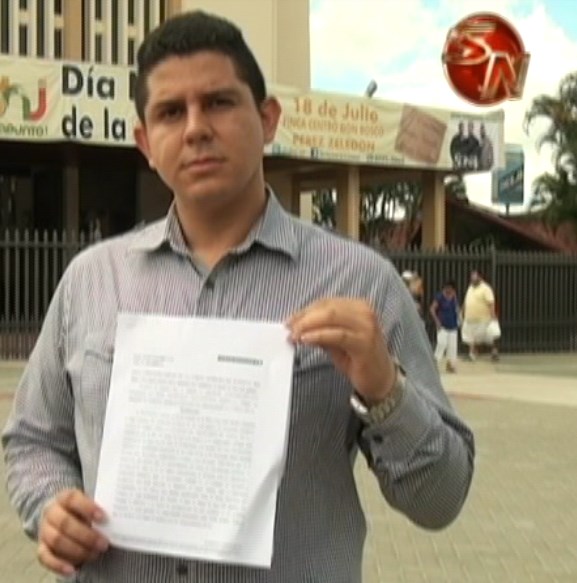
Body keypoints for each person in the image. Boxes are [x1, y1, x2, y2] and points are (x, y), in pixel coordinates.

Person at [2, 11, 475, 583]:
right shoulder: (92, 282)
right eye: (171, 112)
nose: (196, 128)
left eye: (219, 103)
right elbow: (33, 441)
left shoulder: (361, 284)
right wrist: (50, 505)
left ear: (268, 119)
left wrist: (384, 389)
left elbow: (440, 500)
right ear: (145, 141)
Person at [462, 269, 500, 361]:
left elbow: (491, 303)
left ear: (480, 277)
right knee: (471, 337)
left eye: (474, 277)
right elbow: (466, 300)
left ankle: (494, 352)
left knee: (490, 335)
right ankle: (472, 354)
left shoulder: (486, 288)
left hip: (483, 318)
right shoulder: (470, 288)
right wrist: (462, 311)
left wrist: (493, 315)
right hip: (470, 318)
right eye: (471, 277)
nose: (472, 279)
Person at [430, 280, 460, 373]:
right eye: (447, 288)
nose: (449, 290)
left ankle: (450, 365)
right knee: (441, 344)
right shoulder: (440, 297)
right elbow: (432, 309)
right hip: (442, 325)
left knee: (452, 347)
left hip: (453, 325)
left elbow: (456, 309)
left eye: (451, 289)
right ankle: (434, 363)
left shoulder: (454, 297)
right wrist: (437, 321)